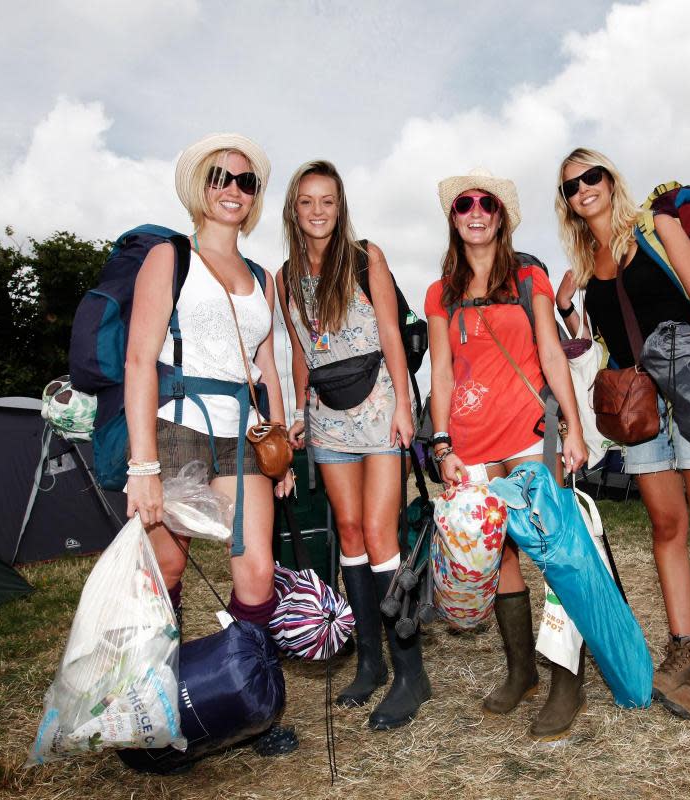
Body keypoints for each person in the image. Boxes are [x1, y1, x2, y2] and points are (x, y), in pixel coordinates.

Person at [553, 147, 690, 720]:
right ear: (566, 203)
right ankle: (683, 647)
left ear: (610, 180)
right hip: (641, 407)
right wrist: (571, 310)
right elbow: (605, 342)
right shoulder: (589, 261)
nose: (584, 188)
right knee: (667, 526)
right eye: (571, 186)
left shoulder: (658, 229)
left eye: (592, 176)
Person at [424, 167, 589, 741]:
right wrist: (441, 440)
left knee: (558, 553)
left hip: (527, 432)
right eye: (464, 204)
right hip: (470, 442)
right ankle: (522, 671)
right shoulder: (439, 291)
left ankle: (567, 676)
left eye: (486, 203)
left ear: (500, 216)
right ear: (453, 217)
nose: (474, 211)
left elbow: (550, 349)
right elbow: (440, 370)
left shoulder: (528, 275)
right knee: (501, 559)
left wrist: (571, 425)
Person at [277, 160, 427, 730]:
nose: (318, 212)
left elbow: (390, 330)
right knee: (349, 533)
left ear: (341, 208)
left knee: (381, 531)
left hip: (379, 408)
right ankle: (370, 662)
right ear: (294, 208)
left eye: (329, 202)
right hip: (326, 416)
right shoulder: (285, 275)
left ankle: (411, 672)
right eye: (308, 201)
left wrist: (407, 408)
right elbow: (298, 349)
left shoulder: (367, 256)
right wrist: (297, 410)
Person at [124, 133, 294, 636]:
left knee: (258, 572)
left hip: (245, 435)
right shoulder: (169, 257)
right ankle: (163, 691)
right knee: (167, 568)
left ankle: (250, 693)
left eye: (246, 181)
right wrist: (144, 466)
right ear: (202, 187)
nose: (233, 189)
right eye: (221, 177)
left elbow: (268, 367)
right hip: (177, 426)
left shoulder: (264, 278)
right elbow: (137, 362)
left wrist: (280, 445)